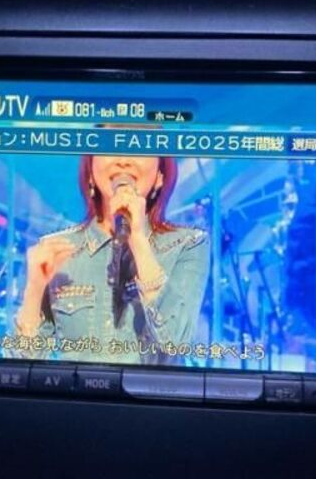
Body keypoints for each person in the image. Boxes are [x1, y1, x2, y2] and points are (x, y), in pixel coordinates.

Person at [14, 154, 209, 365]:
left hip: (149, 387)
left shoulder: (187, 244)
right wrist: (34, 290)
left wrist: (137, 239)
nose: (124, 160)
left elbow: (176, 342)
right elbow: (21, 365)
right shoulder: (57, 250)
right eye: (111, 146)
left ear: (160, 176)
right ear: (90, 172)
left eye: (139, 149)